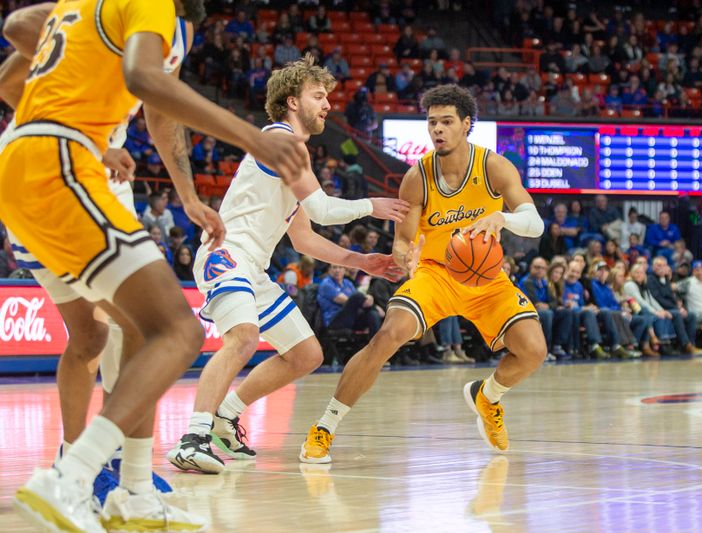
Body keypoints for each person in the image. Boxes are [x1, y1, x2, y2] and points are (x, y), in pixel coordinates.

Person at [0, 0, 312, 531]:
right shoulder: (152, 6)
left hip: (33, 165)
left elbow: (15, 64)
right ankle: (73, 473)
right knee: (174, 330)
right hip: (60, 166)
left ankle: (135, 490)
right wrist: (250, 135)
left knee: (111, 336)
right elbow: (145, 79)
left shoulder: (101, 14)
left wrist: (186, 194)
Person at [167, 55, 408, 474]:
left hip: (252, 266)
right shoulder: (283, 141)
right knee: (243, 337)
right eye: (318, 96)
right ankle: (193, 437)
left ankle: (226, 414)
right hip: (226, 253)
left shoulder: (289, 153)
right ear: (292, 102)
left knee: (305, 353)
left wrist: (361, 262)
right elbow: (322, 208)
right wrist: (373, 204)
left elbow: (304, 236)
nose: (327, 105)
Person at [299, 84, 548, 463]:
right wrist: (405, 256)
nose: (438, 130)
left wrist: (504, 217)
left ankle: (488, 396)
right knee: (388, 335)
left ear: (466, 124)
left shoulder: (494, 167)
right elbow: (402, 241)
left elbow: (535, 224)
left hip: (486, 279)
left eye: (447, 122)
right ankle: (325, 426)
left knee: (533, 351)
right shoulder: (417, 177)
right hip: (435, 273)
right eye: (432, 122)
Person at [647, 257, 702, 355]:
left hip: (671, 308)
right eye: (658, 265)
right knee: (677, 314)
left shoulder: (665, 278)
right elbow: (657, 298)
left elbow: (671, 297)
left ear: (667, 267)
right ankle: (686, 345)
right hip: (659, 308)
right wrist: (676, 309)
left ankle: (691, 343)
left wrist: (681, 308)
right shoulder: (651, 279)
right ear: (653, 267)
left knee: (691, 315)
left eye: (663, 265)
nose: (660, 268)